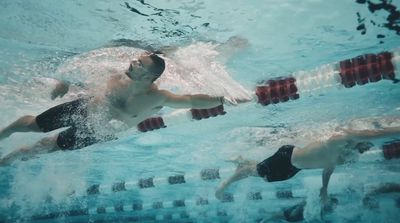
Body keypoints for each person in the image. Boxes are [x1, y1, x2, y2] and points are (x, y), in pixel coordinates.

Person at [0, 53, 240, 165]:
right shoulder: (116, 76)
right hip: (84, 108)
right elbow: (83, 72)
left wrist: (221, 99)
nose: (132, 62)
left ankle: (8, 161)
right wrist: (65, 82)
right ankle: (4, 133)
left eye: (138, 64)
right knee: (34, 125)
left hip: (98, 130)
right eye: (136, 60)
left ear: (148, 75)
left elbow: (191, 101)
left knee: (48, 147)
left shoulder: (157, 97)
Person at [215, 124, 400, 207]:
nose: (365, 150)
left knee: (264, 177)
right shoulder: (341, 139)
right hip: (287, 156)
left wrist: (325, 189)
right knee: (255, 172)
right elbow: (375, 134)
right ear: (358, 141)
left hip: (295, 168)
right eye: (364, 147)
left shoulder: (343, 156)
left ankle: (241, 160)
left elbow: (328, 167)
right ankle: (226, 184)